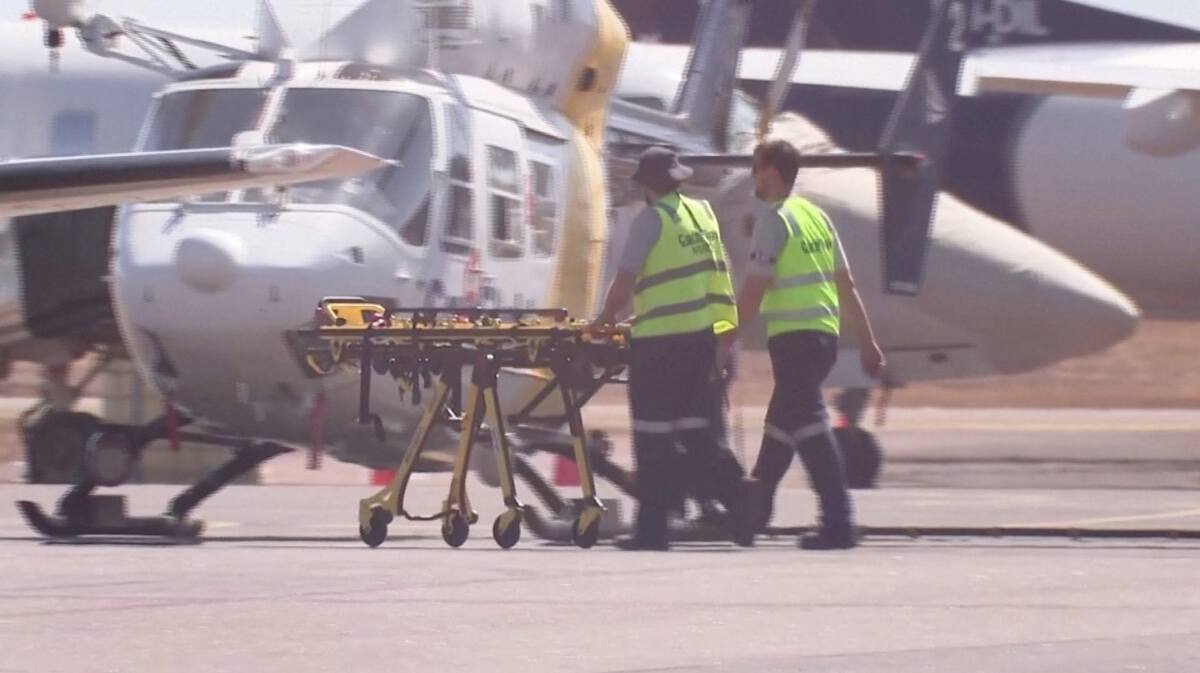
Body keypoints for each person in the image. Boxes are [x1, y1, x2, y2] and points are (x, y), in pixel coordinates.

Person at [592, 146, 752, 551]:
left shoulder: (651, 221)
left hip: (659, 348)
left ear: (645, 185)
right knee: (699, 435)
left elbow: (625, 280)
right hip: (699, 341)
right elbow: (716, 277)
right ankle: (742, 503)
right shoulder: (701, 215)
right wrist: (724, 335)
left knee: (653, 438)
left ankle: (653, 531)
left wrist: (603, 322)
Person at [731, 139, 885, 550]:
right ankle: (754, 514)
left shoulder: (774, 219)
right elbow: (846, 285)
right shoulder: (816, 217)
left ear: (772, 173)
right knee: (783, 424)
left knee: (811, 425)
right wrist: (867, 342)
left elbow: (755, 287)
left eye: (756, 168)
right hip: (823, 336)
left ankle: (838, 522)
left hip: (794, 338)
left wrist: (724, 334)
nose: (752, 177)